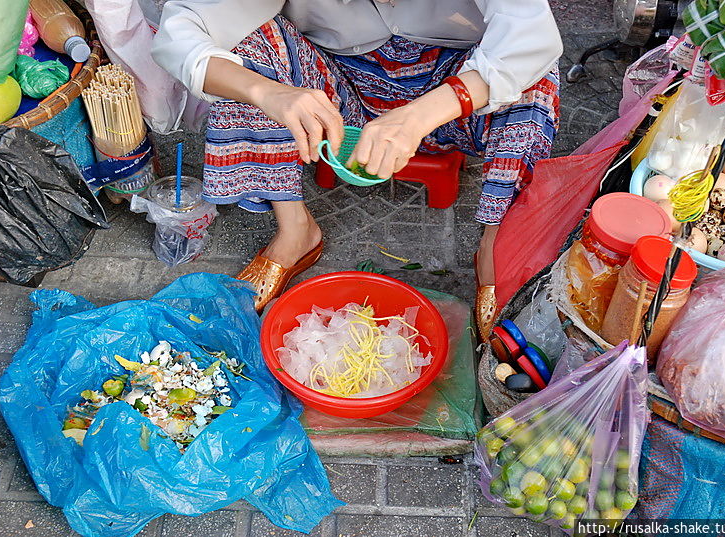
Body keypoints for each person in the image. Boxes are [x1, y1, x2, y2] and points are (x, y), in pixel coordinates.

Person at [152, 0, 562, 341]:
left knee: (535, 79)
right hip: (339, 84)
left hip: (459, 88)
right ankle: (296, 231)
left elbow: (533, 37)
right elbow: (183, 29)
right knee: (245, 51)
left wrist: (420, 115)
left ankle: (495, 248)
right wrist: (269, 92)